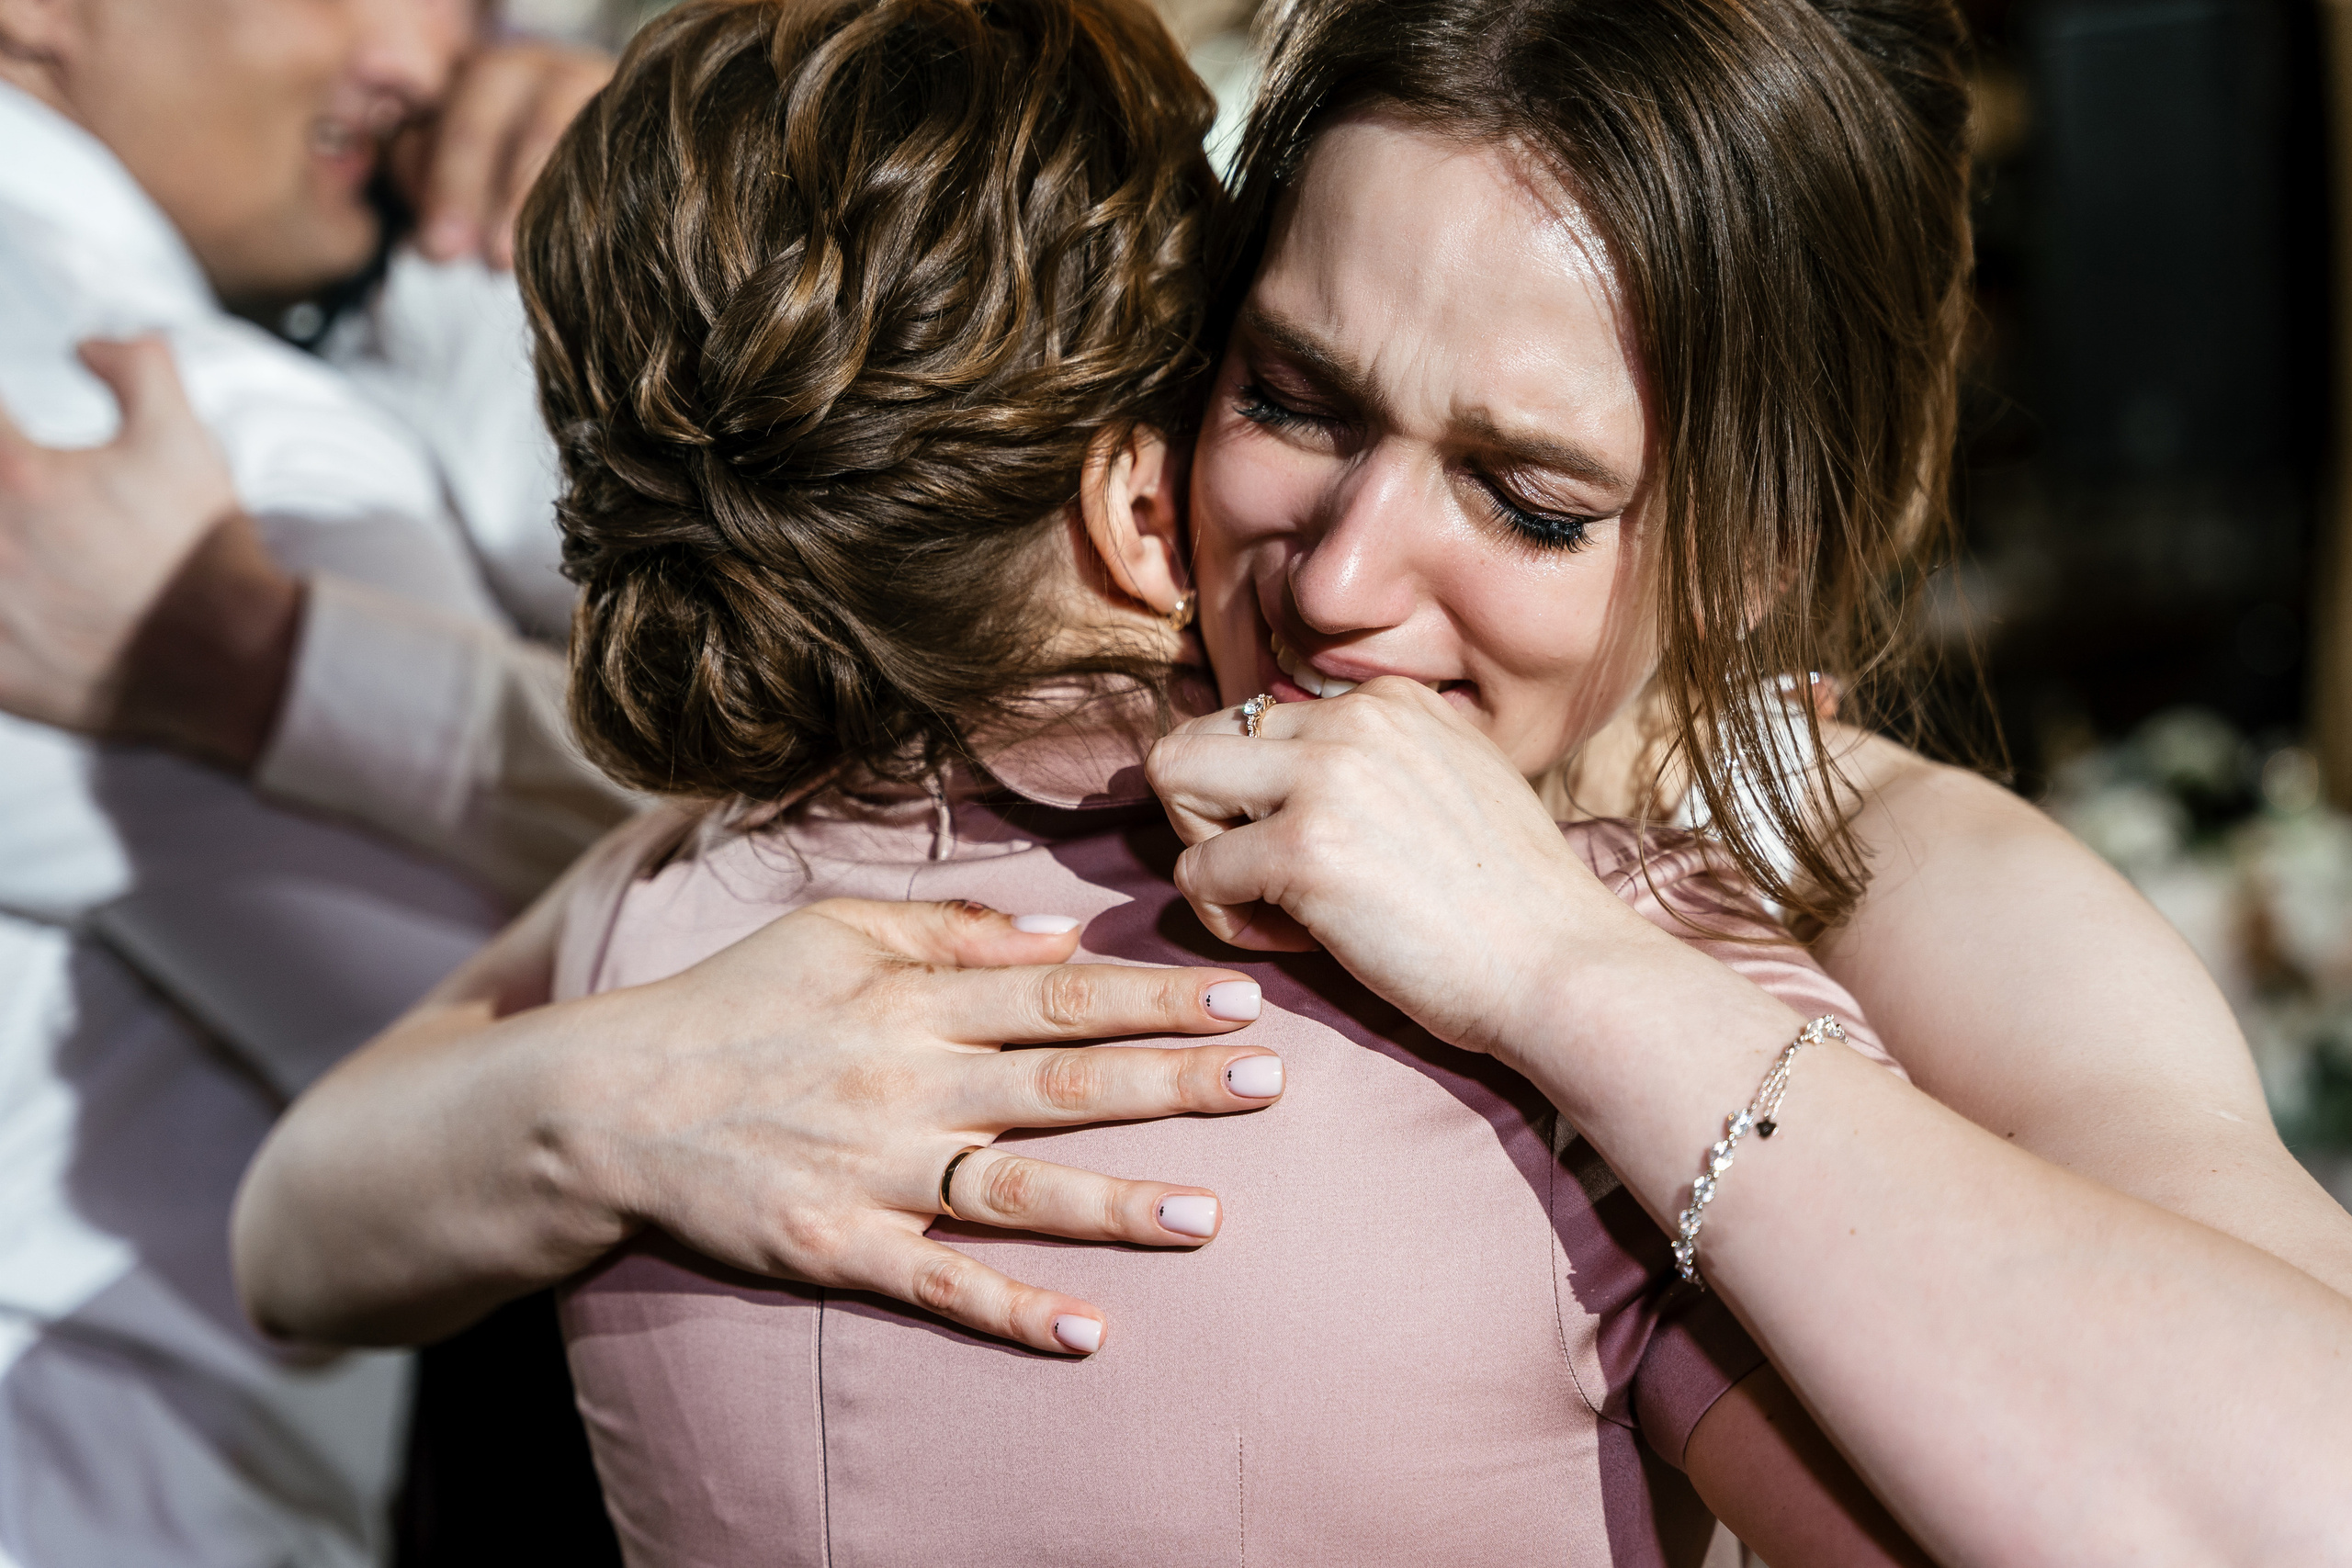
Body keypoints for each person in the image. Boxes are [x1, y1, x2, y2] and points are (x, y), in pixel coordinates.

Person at [237, 0, 2352, 1559]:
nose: (1338, 580)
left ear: (1769, 545)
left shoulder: (1894, 876)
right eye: (1294, 396)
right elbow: (306, 1213)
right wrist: (613, 1092)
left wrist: (1564, 970)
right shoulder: (897, 821)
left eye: (1527, 499)